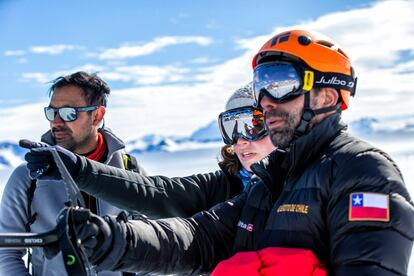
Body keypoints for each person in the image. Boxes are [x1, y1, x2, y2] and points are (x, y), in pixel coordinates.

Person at [26, 30, 414, 275]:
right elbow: (197, 237)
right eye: (262, 84)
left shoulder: (362, 172)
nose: (267, 99)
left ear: (327, 94)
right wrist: (115, 241)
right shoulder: (269, 182)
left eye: (280, 84)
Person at [22, 83, 276, 219]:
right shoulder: (221, 187)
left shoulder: (309, 185)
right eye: (231, 127)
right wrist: (79, 170)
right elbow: (155, 195)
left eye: (252, 125)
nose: (239, 140)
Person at [0, 71, 147, 276]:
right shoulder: (28, 177)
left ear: (97, 115)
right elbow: (6, 251)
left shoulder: (130, 172)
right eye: (52, 112)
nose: (56, 122)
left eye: (69, 113)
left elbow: (150, 247)